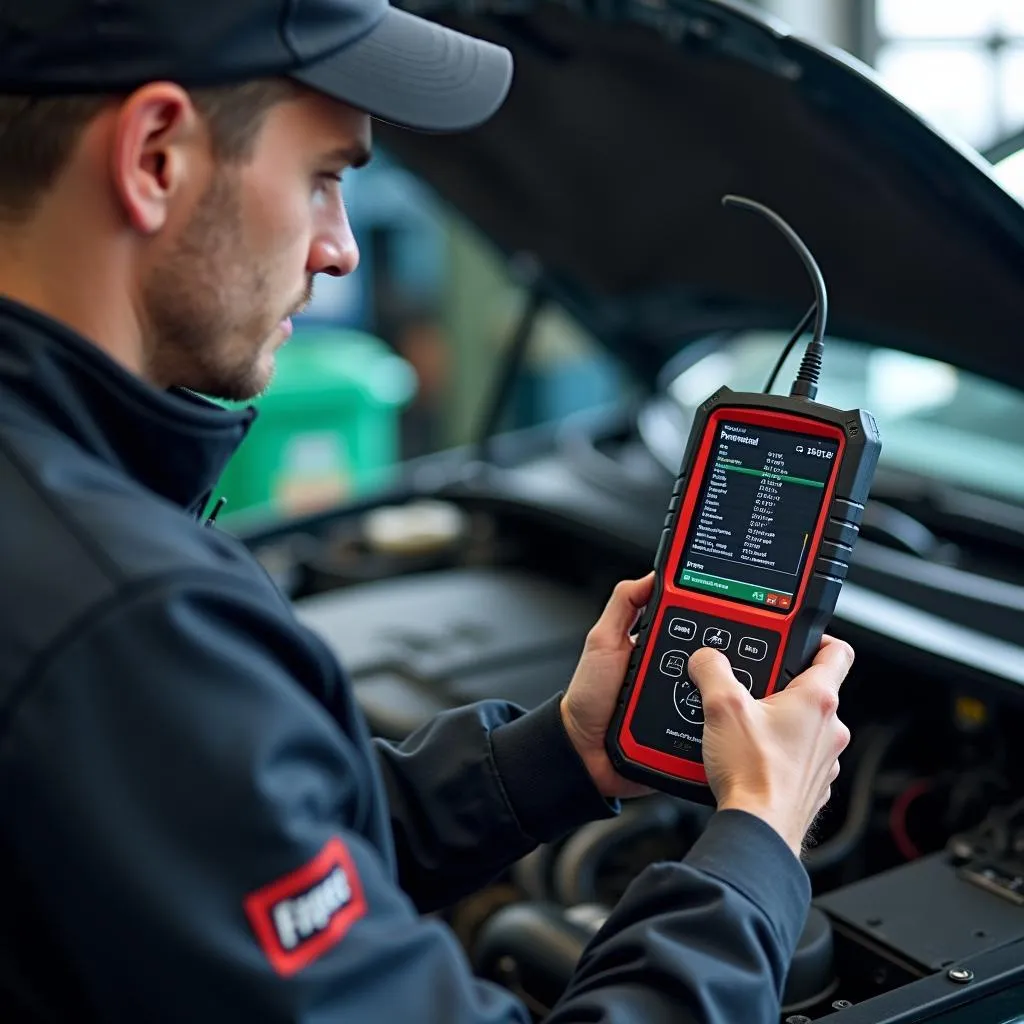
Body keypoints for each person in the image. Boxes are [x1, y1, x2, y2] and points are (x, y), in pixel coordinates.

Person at [0, 0, 853, 1020]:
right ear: (154, 156)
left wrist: (562, 754)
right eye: (323, 177)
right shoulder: (126, 624)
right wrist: (756, 852)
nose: (340, 249)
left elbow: (213, 855)